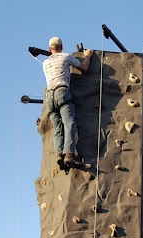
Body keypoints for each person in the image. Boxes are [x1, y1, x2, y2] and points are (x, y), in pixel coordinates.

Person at [43, 37, 93, 167]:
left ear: (50, 49)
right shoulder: (66, 56)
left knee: (57, 128)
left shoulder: (45, 63)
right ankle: (69, 155)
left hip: (49, 97)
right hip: (61, 92)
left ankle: (59, 154)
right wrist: (87, 56)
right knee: (69, 124)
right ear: (61, 46)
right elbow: (84, 69)